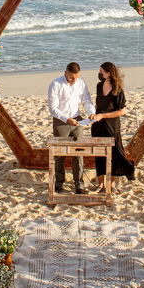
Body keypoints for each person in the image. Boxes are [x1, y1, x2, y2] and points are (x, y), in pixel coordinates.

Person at [47, 62, 95, 194]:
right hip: (61, 121)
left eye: (76, 78)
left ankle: (79, 184)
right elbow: (53, 109)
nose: (74, 80)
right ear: (65, 73)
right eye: (71, 78)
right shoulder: (55, 85)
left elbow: (86, 100)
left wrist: (91, 112)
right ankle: (59, 182)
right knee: (60, 153)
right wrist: (66, 119)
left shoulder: (81, 83)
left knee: (78, 152)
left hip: (78, 119)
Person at [89, 61, 135, 189]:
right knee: (99, 154)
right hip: (98, 125)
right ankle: (101, 184)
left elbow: (121, 111)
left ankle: (112, 183)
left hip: (111, 126)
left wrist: (103, 115)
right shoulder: (99, 86)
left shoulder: (117, 88)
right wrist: (93, 114)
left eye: (101, 72)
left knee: (114, 154)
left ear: (108, 73)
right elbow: (98, 105)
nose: (99, 74)